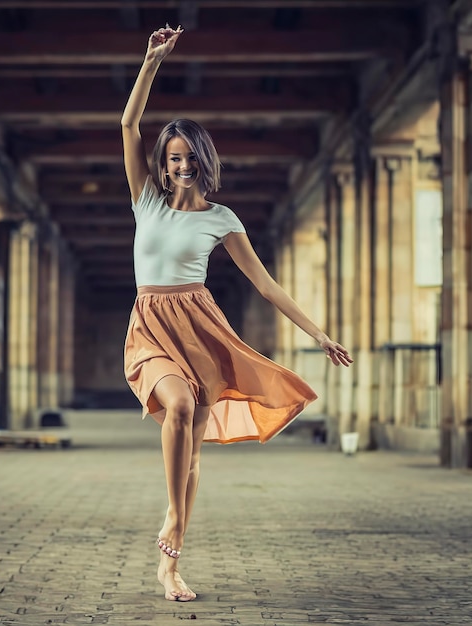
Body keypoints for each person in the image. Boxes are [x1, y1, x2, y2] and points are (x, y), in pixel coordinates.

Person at [121, 25, 353, 603]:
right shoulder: (144, 199)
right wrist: (150, 63)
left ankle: (170, 564)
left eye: (188, 157)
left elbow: (267, 285)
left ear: (202, 159)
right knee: (175, 404)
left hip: (199, 327)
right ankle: (173, 520)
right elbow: (127, 125)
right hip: (150, 323)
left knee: (193, 456)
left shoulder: (222, 218)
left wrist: (319, 334)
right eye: (172, 157)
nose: (180, 165)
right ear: (163, 161)